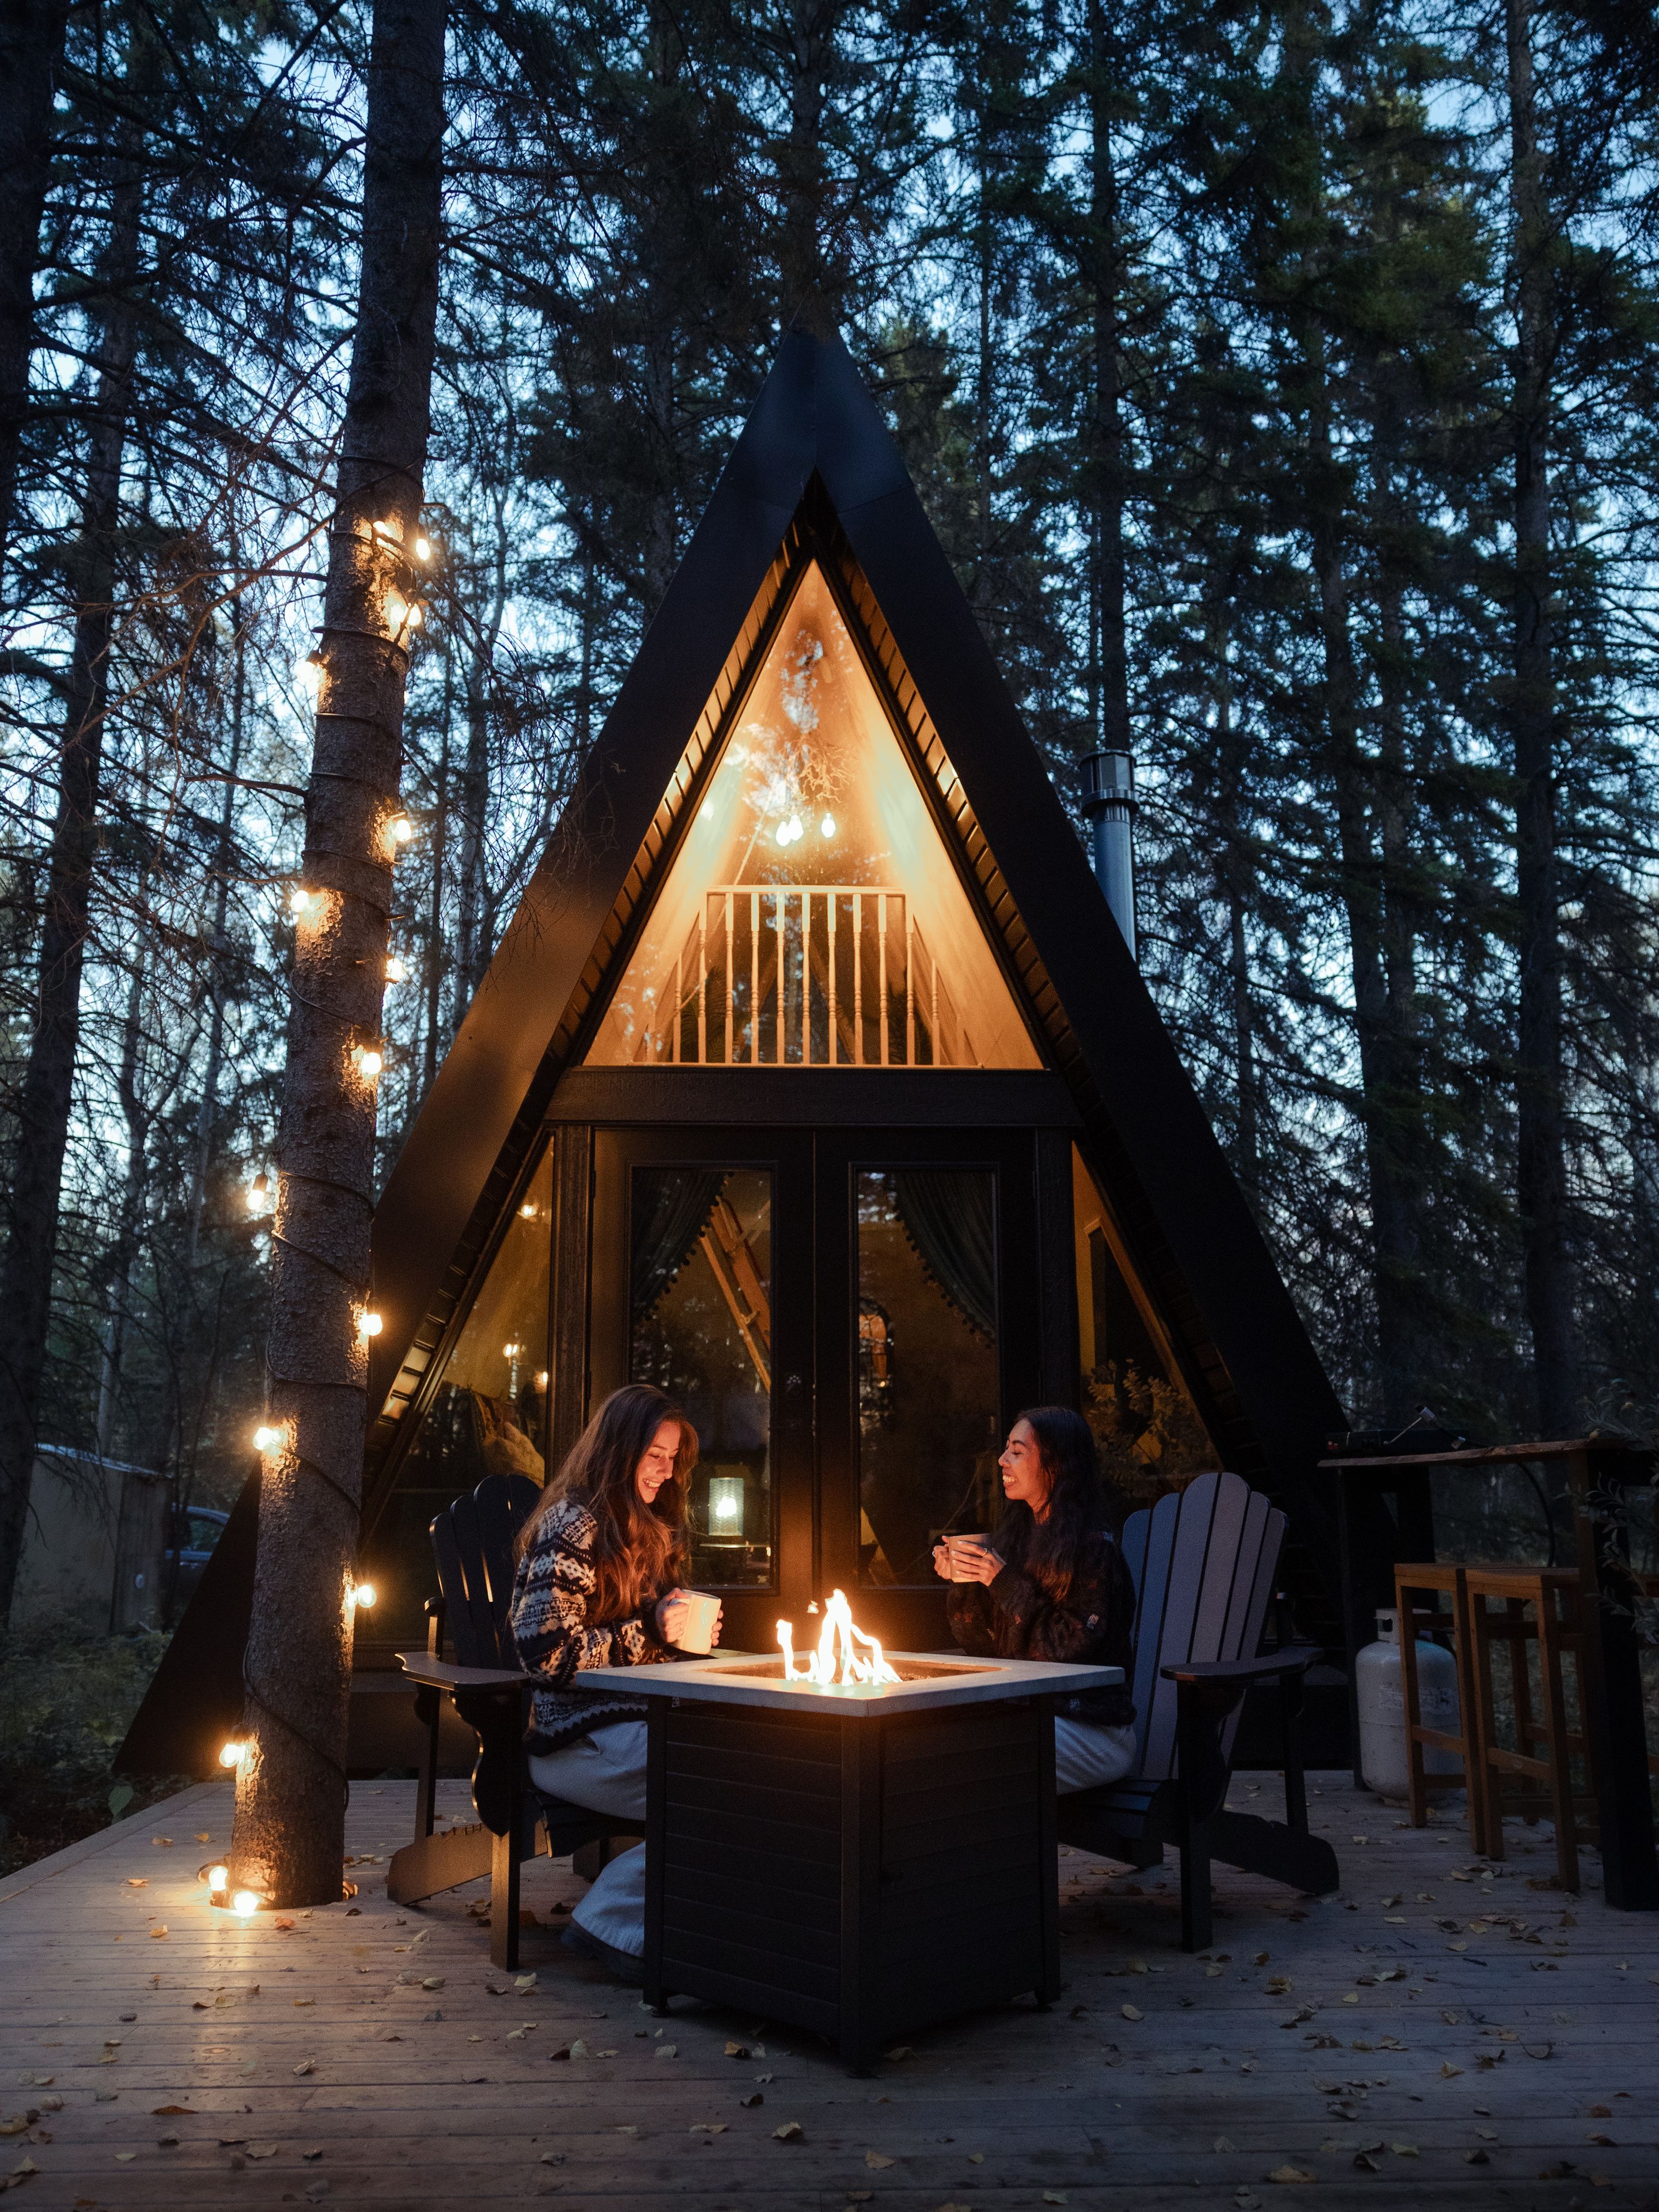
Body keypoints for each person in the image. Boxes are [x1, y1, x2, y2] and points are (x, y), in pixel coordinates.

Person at [509, 1382, 721, 1979]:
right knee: (721, 1782)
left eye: (673, 1457)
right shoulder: (571, 1526)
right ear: (619, 1450)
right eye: (654, 1454)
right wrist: (650, 1631)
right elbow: (546, 1655)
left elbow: (642, 1644)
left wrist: (683, 1635)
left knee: (744, 1763)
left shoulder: (645, 1528)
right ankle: (612, 1921)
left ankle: (685, 1927)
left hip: (632, 1727)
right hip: (573, 1740)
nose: (666, 1470)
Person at [934, 1405, 1138, 1791]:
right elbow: (983, 1646)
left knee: (971, 1759)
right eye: (1006, 1449)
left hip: (1092, 1728)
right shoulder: (1018, 1540)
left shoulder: (1094, 1549)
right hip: (1033, 1716)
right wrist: (966, 1579)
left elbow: (1068, 1649)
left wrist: (1004, 1583)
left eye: (1017, 1451)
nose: (1002, 1460)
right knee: (932, 1741)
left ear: (1055, 1465)